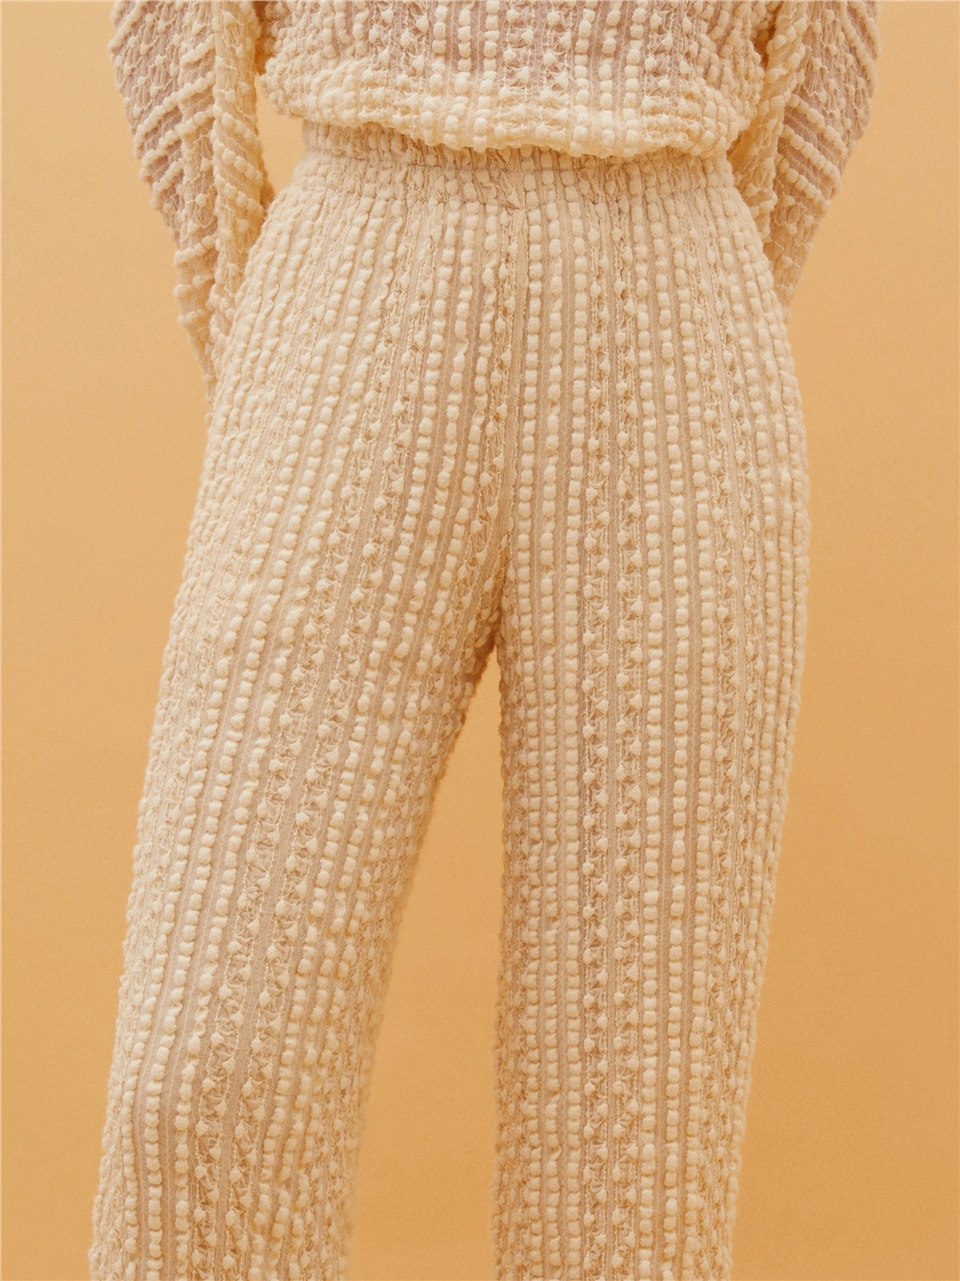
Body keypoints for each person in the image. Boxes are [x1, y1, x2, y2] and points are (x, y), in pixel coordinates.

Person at [89, 3, 881, 1279]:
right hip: (350, 298)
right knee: (196, 1082)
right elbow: (170, 26)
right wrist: (279, 356)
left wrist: (685, 306)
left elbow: (826, 48)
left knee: (630, 1181)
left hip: (672, 330)